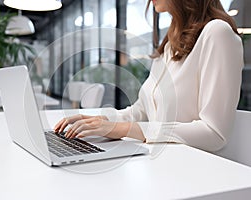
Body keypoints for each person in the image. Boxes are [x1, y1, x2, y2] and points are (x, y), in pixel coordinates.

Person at [54, 0, 244, 152]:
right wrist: (100, 120)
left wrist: (127, 129)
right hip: (158, 163)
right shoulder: (171, 44)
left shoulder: (217, 33)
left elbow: (214, 133)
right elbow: (140, 112)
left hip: (194, 171)